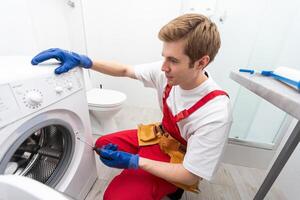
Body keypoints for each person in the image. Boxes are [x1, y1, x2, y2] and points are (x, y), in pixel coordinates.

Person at [31, 13, 232, 200]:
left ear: (201, 63)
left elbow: (190, 175)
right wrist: (85, 61)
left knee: (114, 197)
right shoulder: (168, 72)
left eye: (173, 60)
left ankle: (166, 183)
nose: (163, 67)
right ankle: (145, 171)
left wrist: (135, 162)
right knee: (101, 145)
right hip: (161, 136)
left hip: (180, 159)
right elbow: (125, 69)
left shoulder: (215, 112)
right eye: (164, 56)